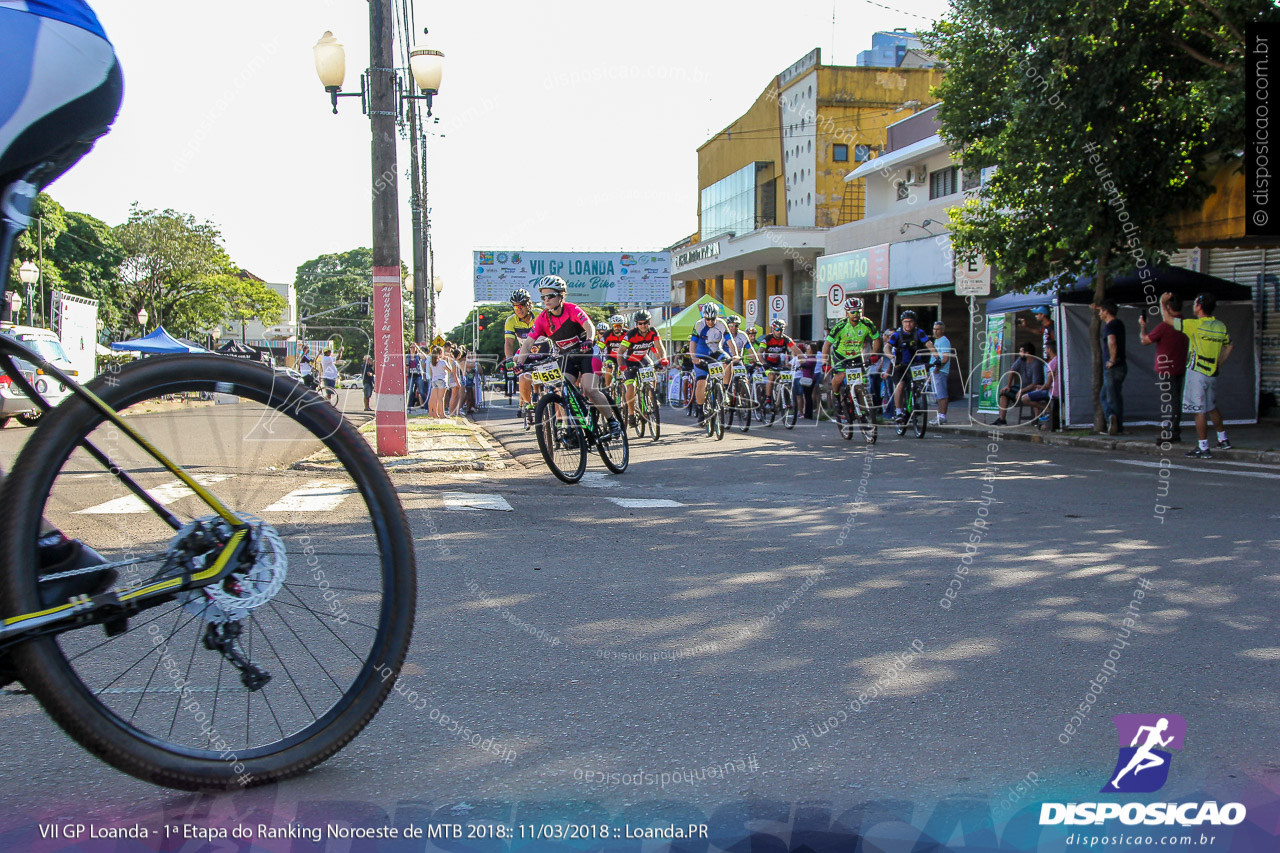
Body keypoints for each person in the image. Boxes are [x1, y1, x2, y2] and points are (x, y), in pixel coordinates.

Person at [517, 275, 619, 432]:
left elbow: (589, 327)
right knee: (563, 388)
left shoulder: (572, 309)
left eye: (550, 295)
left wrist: (589, 340)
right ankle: (569, 427)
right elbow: (528, 344)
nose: (546, 300)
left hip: (587, 353)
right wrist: (520, 364)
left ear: (561, 295)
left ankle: (612, 421)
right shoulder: (543, 319)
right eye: (543, 296)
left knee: (590, 389)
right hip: (566, 357)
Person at [1166, 292, 1233, 458]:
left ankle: (1203, 447)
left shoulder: (1194, 325)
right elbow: (1229, 345)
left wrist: (1162, 302)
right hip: (1212, 372)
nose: (1194, 306)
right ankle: (1223, 439)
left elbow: (1168, 320)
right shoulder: (1220, 326)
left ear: (1200, 307)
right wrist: (1219, 362)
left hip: (1196, 372)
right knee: (1211, 406)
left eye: (1195, 303)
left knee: (1199, 411)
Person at [1139, 292, 1189, 445]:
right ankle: (1174, 429)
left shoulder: (1164, 327)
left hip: (1166, 369)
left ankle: (1172, 431)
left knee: (1170, 401)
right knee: (1176, 400)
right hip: (1180, 366)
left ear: (1168, 307)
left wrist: (1143, 327)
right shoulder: (1186, 324)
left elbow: (1145, 341)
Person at [822, 297, 880, 422]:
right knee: (841, 375)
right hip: (840, 356)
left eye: (858, 311)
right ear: (847, 312)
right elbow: (827, 345)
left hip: (856, 355)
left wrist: (874, 354)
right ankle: (837, 397)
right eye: (852, 312)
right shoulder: (840, 326)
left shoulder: (867, 323)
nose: (856, 314)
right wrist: (824, 363)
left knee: (860, 383)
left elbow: (876, 339)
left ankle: (862, 409)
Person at [883, 310, 942, 423]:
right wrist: (891, 357)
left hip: (915, 364)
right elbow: (886, 347)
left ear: (914, 323)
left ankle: (917, 400)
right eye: (906, 322)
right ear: (902, 322)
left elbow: (929, 344)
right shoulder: (897, 335)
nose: (908, 324)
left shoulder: (919, 333)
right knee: (900, 385)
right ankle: (899, 412)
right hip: (900, 364)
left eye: (910, 322)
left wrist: (937, 357)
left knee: (919, 384)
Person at [617, 309, 667, 423]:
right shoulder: (630, 335)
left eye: (645, 323)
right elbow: (620, 352)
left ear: (649, 322)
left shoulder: (653, 331)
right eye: (640, 323)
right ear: (636, 324)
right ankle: (631, 414)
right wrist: (621, 365)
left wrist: (663, 358)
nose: (643, 326)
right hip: (629, 361)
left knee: (652, 374)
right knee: (631, 387)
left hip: (643, 358)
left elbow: (660, 347)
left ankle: (651, 398)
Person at [689, 302, 737, 421]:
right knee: (701, 382)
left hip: (716, 352)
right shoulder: (699, 325)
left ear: (717, 317)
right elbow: (693, 343)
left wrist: (735, 355)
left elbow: (730, 341)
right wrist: (693, 357)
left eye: (713, 319)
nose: (710, 321)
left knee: (728, 361)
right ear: (704, 317)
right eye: (708, 319)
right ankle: (700, 409)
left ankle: (724, 391)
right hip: (701, 355)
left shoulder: (721, 324)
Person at [504, 288, 542, 421]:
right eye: (515, 306)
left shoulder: (540, 315)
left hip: (544, 352)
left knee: (556, 385)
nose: (518, 309)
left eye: (521, 306)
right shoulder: (511, 321)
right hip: (526, 354)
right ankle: (528, 404)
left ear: (529, 305)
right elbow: (509, 343)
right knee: (523, 378)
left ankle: (559, 420)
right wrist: (509, 359)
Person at [992, 343, 1046, 425]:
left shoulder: (1036, 364)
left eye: (1021, 351)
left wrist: (1022, 390)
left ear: (1027, 353)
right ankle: (1002, 418)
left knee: (1035, 392)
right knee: (1004, 393)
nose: (1019, 353)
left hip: (1032, 387)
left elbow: (1035, 383)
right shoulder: (1021, 360)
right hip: (1022, 386)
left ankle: (1036, 418)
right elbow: (1012, 370)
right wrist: (1009, 385)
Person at [759, 318, 805, 413]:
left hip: (778, 363)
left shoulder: (786, 339)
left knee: (784, 377)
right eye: (777, 330)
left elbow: (798, 351)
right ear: (773, 329)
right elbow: (759, 353)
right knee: (771, 375)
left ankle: (782, 399)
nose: (779, 332)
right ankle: (768, 400)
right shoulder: (767, 339)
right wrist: (764, 364)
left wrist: (803, 363)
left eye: (782, 330)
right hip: (767, 363)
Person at [1097, 299, 1127, 435]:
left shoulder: (1110, 326)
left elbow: (1112, 341)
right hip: (1122, 365)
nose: (1099, 314)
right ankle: (1114, 421)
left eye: (1100, 311)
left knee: (1110, 396)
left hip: (1113, 367)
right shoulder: (1119, 324)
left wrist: (1112, 359)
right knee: (1110, 394)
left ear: (1106, 311)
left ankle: (1113, 421)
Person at [929, 320, 953, 425]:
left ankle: (942, 416)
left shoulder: (943, 341)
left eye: (938, 329)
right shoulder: (937, 341)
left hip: (940, 371)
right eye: (934, 329)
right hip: (935, 371)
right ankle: (939, 415)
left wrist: (938, 368)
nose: (935, 331)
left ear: (942, 330)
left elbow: (945, 357)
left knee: (942, 394)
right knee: (938, 395)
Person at [426, 346, 449, 418]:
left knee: (434, 398)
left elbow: (431, 373)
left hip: (434, 380)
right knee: (441, 398)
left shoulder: (431, 363)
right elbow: (449, 370)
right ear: (440, 353)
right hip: (441, 380)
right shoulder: (442, 362)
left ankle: (434, 413)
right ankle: (442, 414)